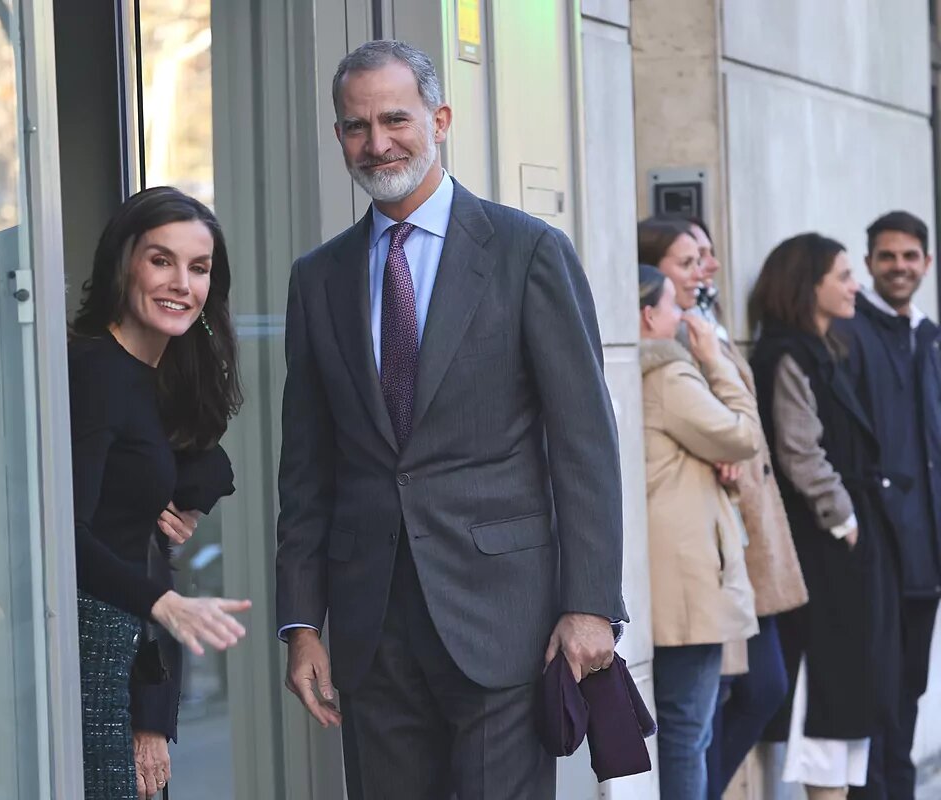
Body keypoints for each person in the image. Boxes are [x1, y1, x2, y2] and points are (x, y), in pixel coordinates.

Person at [275, 40, 626, 799]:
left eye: (394, 119)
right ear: (338, 136)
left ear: (440, 118)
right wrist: (302, 623)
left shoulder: (526, 251)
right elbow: (307, 468)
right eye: (356, 127)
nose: (377, 144)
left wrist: (591, 604)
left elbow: (585, 444)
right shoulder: (318, 279)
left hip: (506, 621)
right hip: (373, 631)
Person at [67, 186, 252, 800]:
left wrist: (184, 497)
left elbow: (209, 461)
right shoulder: (94, 372)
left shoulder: (166, 372)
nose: (181, 283)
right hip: (91, 650)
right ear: (124, 263)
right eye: (161, 260)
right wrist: (165, 605)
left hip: (133, 647)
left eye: (198, 268)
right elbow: (63, 538)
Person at [748, 233, 901, 800]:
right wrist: (844, 518)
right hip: (821, 548)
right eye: (841, 275)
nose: (853, 284)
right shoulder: (786, 353)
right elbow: (799, 450)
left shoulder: (825, 347)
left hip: (844, 545)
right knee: (827, 689)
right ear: (807, 284)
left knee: (853, 686)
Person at [663, 217, 809, 800]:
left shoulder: (705, 323)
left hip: (746, 531)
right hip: (712, 537)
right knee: (720, 700)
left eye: (707, 254)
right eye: (689, 258)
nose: (707, 267)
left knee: (758, 688)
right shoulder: (670, 338)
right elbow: (725, 428)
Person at [637, 264, 760, 798]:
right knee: (688, 731)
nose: (685, 317)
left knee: (684, 727)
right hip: (686, 582)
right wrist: (715, 361)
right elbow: (743, 435)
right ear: (649, 315)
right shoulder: (668, 373)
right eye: (673, 305)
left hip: (669, 577)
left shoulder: (633, 372)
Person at [836, 210, 940, 800]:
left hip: (925, 558)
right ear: (870, 262)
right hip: (874, 553)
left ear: (927, 262)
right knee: (875, 694)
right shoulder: (849, 334)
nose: (899, 267)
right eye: (887, 257)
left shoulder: (932, 337)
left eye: (910, 256)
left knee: (909, 692)